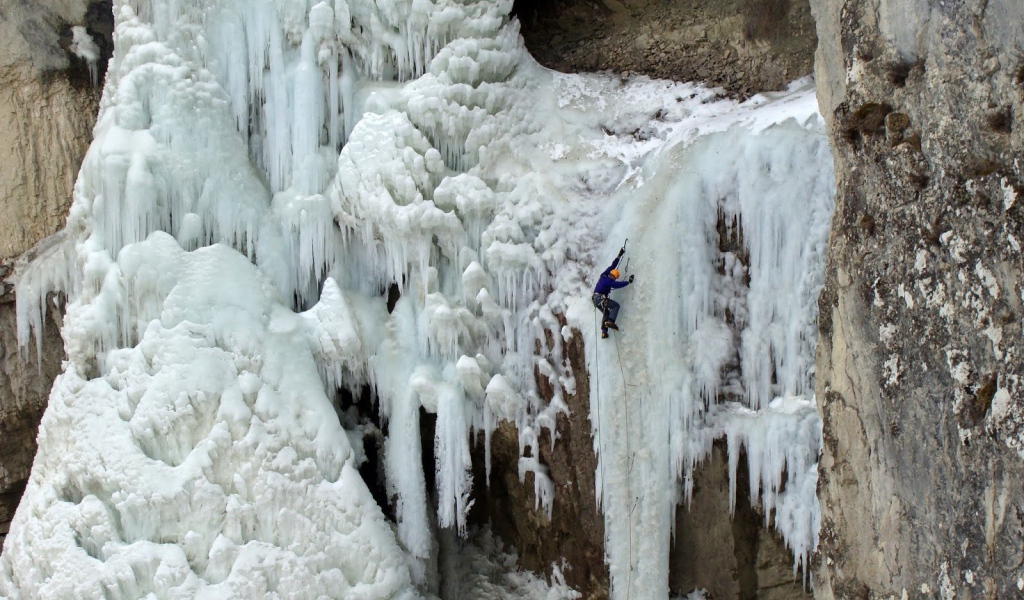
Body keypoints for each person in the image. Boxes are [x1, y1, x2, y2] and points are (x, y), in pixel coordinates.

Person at [592, 245, 634, 338]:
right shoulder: (608, 281)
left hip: (596, 300)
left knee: (606, 313)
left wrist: (618, 256)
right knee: (615, 306)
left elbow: (613, 266)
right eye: (614, 277)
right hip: (600, 298)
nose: (613, 279)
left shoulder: (604, 275)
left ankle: (604, 332)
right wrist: (628, 282)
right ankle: (610, 321)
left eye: (614, 278)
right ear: (612, 275)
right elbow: (617, 285)